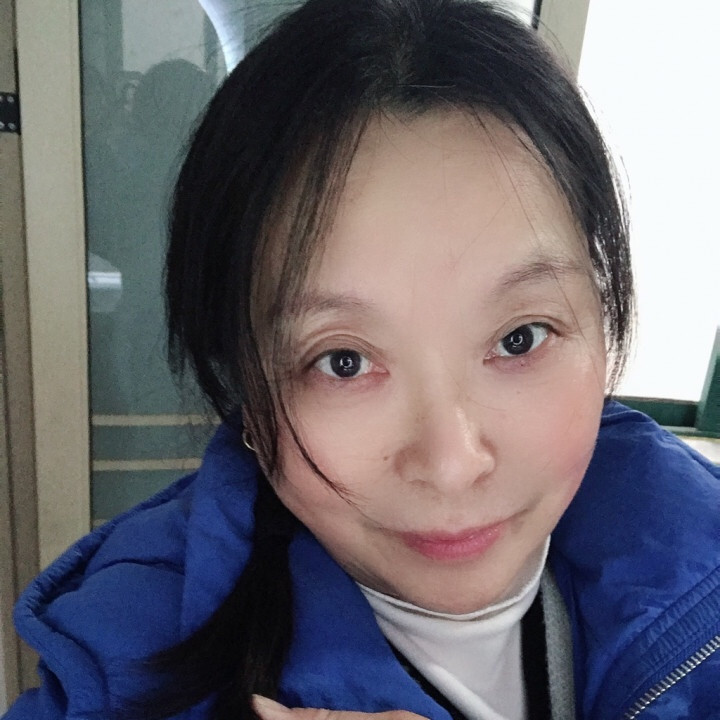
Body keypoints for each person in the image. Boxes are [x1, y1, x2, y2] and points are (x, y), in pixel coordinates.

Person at [4, 1, 720, 719]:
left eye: (520, 338)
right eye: (343, 361)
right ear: (244, 381)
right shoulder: (123, 663)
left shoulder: (701, 546)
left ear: (601, 315)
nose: (452, 463)